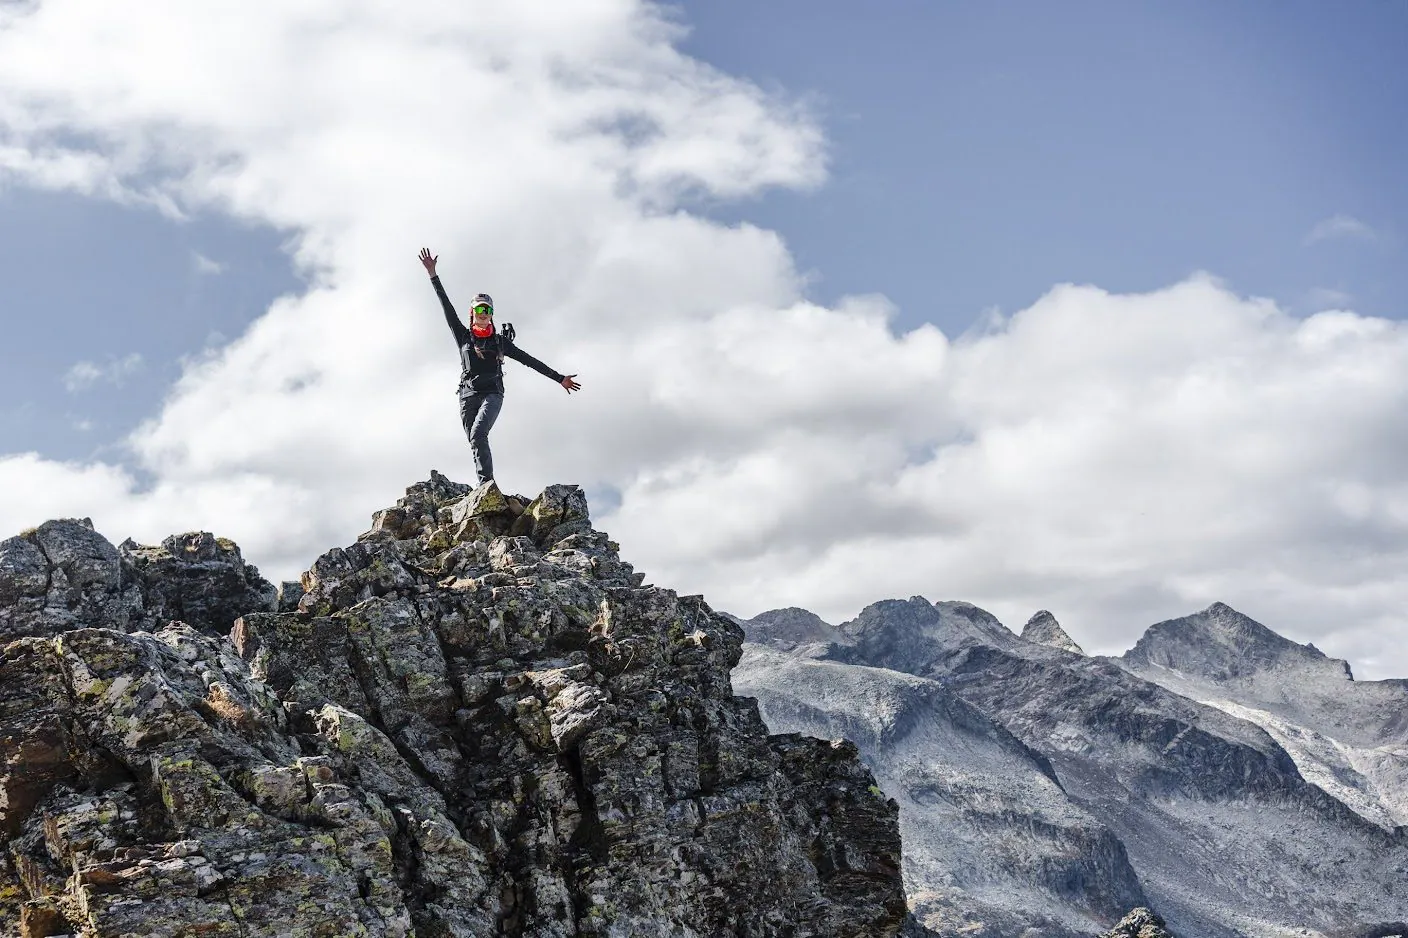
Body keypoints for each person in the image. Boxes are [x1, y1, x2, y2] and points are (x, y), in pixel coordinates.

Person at [418, 248, 580, 486]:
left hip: (492, 393)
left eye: (488, 310)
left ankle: (486, 485)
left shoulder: (500, 343)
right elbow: (446, 306)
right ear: (472, 313)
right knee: (474, 441)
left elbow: (530, 360)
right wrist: (433, 274)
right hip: (467, 394)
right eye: (479, 309)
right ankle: (483, 485)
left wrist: (559, 378)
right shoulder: (463, 336)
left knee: (478, 433)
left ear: (492, 314)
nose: (483, 314)